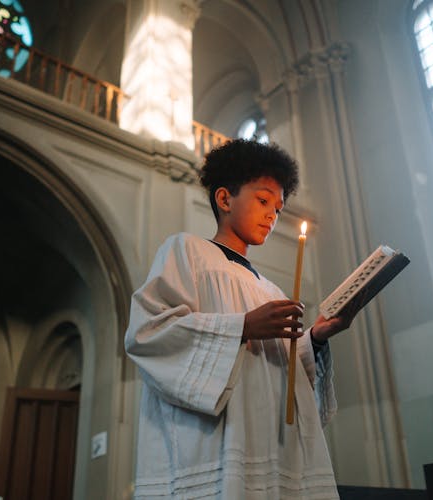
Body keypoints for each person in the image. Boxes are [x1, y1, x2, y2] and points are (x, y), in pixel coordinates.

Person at [124, 139, 359, 499]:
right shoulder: (187, 252)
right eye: (264, 200)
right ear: (224, 199)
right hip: (215, 444)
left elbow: (283, 376)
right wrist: (242, 327)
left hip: (274, 449)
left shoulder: (272, 291)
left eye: (279, 208)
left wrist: (315, 340)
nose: (272, 215)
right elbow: (147, 333)